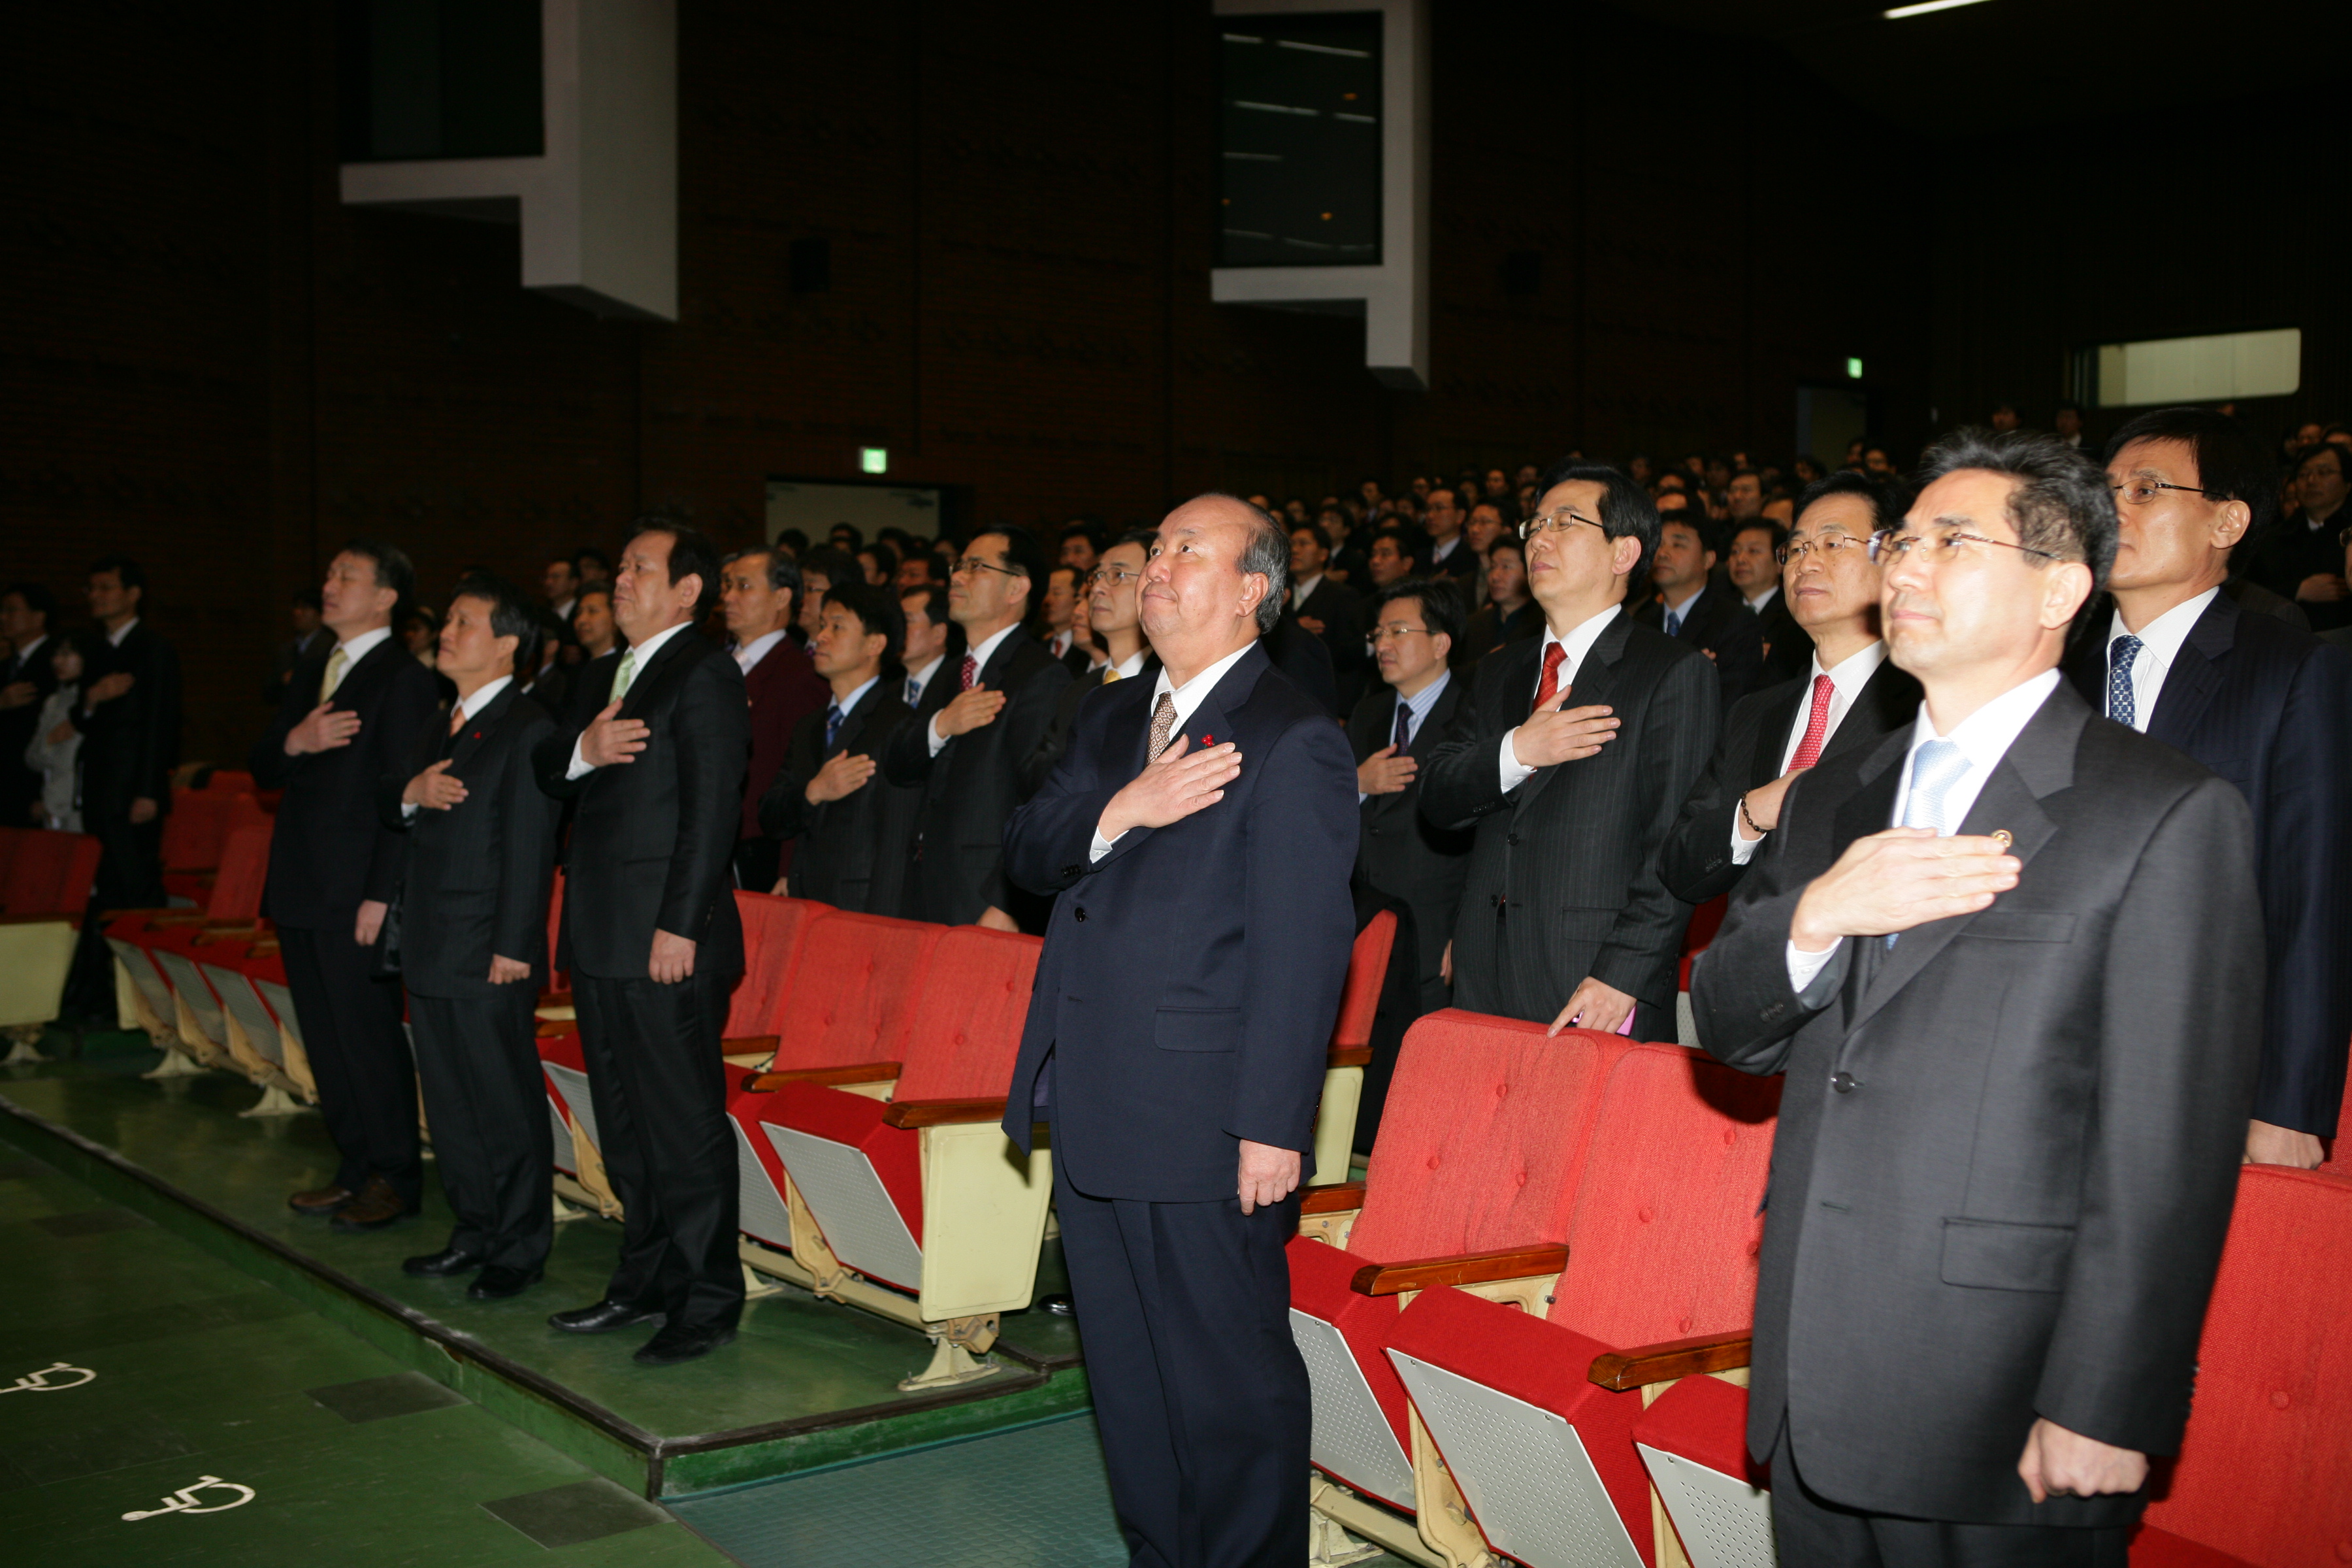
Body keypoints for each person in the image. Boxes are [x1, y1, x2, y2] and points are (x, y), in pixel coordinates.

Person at [1693, 429, 2262, 1560]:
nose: (1902, 569)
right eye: (1903, 542)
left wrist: (2109, 1400)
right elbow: (1727, 1028)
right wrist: (1818, 915)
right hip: (1816, 1368)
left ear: (2061, 586)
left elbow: (2167, 1147)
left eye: (1953, 543)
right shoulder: (1833, 800)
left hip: (2001, 1395)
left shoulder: (2159, 811)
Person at [1001, 494, 1357, 1568]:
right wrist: (1125, 809)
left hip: (1205, 1123)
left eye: (1186, 550)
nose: (1156, 565)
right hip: (1098, 1101)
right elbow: (1027, 848)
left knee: (1229, 1396)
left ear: (1254, 590)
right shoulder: (1116, 719)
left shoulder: (1293, 735)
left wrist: (1271, 1125)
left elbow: (1304, 951)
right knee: (1132, 1390)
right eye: (1154, 548)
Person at [2062, 406, 2352, 1168]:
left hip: (2205, 1074)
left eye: (2148, 489)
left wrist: (2290, 1104)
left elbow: (2312, 896)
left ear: (2227, 521)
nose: (2114, 507)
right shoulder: (2052, 677)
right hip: (2051, 1068)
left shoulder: (2290, 670)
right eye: (2107, 488)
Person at [532, 522, 750, 1366]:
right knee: (623, 1126)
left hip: (666, 937)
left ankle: (707, 1297)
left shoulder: (703, 672)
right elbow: (550, 769)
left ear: (688, 590)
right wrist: (584, 750)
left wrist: (680, 923)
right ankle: (644, 1279)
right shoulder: (598, 675)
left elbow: (712, 808)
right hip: (599, 933)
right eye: (619, 565)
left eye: (639, 568)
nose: (620, 579)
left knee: (683, 1124)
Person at [1420, 465, 1719, 1036]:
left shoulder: (1669, 673)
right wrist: (1517, 751)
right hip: (1484, 974)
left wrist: (1624, 974)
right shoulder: (1500, 669)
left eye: (1565, 522)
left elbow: (1673, 846)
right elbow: (1438, 797)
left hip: (1594, 983)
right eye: (1535, 523)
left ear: (1624, 552)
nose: (1539, 537)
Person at [380, 576, 561, 1299]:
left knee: (502, 1102)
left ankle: (518, 1245)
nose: (445, 632)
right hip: (431, 939)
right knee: (450, 1101)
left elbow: (529, 845)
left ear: (508, 646)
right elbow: (405, 809)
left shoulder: (529, 726)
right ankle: (474, 1228)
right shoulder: (439, 720)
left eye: (464, 622)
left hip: (490, 947)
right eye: (448, 620)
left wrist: (515, 945)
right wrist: (407, 794)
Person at [252, 542, 441, 1231]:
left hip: (353, 891)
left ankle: (394, 1175)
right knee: (325, 1039)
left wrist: (380, 893)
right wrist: (297, 740)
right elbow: (265, 762)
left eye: (346, 577)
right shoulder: (314, 664)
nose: (329, 586)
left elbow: (403, 797)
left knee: (366, 1039)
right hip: (301, 881)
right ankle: (354, 1166)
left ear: (387, 596)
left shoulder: (403, 679)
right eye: (329, 574)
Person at [1661, 474, 1920, 906]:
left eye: (1833, 544)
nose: (1807, 562)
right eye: (1797, 548)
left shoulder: (1923, 705)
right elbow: (1679, 864)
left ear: (1891, 556)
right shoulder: (1755, 713)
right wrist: (1753, 814)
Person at [882, 527, 1071, 930]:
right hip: (921, 885)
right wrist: (941, 725)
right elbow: (897, 766)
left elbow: (1041, 798)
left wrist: (1007, 903)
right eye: (958, 566)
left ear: (1016, 588)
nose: (957, 577)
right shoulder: (952, 672)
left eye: (974, 567)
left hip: (982, 895)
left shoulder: (1039, 675)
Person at [1350, 579, 1473, 1018]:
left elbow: (1488, 837)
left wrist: (1468, 933)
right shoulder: (1368, 713)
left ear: (1441, 642)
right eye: (1377, 634)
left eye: (1397, 632)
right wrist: (1357, 783)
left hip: (1433, 935)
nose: (1383, 643)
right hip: (1362, 927)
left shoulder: (1472, 715)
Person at [761, 581, 918, 913]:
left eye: (838, 626)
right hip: (804, 905)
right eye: (822, 626)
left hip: (860, 911)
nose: (821, 637)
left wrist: (882, 930)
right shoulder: (810, 725)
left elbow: (896, 846)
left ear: (874, 644)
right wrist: (813, 793)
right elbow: (771, 816)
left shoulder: (898, 724)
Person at [75, 555, 182, 930]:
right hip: (99, 786)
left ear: (134, 594)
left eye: (107, 588)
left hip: (132, 789)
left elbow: (160, 723)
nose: (96, 597)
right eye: (92, 589)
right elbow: (78, 717)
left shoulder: (152, 648)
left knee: (138, 885)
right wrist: (92, 699)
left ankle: (149, 977)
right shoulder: (95, 649)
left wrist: (149, 791)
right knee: (107, 887)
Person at [720, 549, 828, 893]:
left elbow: (800, 775)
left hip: (759, 849)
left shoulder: (798, 675)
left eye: (744, 586)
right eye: (728, 586)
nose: (729, 597)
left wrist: (788, 867)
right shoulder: (719, 666)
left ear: (781, 597)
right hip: (716, 841)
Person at [1024, 530, 1158, 792]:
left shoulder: (1170, 682)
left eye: (1118, 575)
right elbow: (1036, 778)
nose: (1096, 588)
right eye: (1097, 575)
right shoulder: (1081, 689)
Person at [1635, 515, 1765, 705]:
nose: (1662, 553)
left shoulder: (1736, 621)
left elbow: (1736, 704)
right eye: (1659, 544)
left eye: (1678, 545)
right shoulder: (1641, 623)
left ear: (1708, 559)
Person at [2248, 442, 2349, 615]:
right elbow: (2247, 593)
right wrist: (2298, 590)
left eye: (2324, 472)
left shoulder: (2348, 534)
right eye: (2303, 474)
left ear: (2348, 483)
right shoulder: (2271, 538)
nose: (2311, 481)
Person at [1285, 522, 1369, 715]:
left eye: (1304, 543)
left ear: (1323, 554)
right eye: (1292, 544)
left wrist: (1344, 711)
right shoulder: (1278, 595)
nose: (1295, 550)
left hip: (1322, 701)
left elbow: (1349, 657)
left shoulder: (1342, 595)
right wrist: (1293, 627)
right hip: (1283, 698)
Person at [0, 583, 58, 826]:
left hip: (33, 784)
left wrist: (44, 791)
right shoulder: (8, 666)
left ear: (38, 617)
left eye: (12, 611)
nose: (3, 618)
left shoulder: (55, 660)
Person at [1730, 519, 1811, 684]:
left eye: (1753, 551)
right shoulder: (1719, 611)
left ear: (1780, 561)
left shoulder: (1795, 614)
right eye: (1735, 552)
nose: (1741, 559)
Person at [25, 632, 91, 830]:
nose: (58, 661)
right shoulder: (53, 703)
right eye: (56, 655)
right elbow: (31, 758)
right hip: (54, 805)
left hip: (85, 804)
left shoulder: (95, 699)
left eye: (67, 654)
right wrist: (50, 741)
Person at [1458, 533, 1543, 668]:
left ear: (1529, 572)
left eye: (1506, 567)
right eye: (1492, 567)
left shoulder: (1543, 625)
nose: (1495, 577)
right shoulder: (1473, 624)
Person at [261, 589, 325, 706]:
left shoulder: (329, 646)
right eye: (296, 607)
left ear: (319, 613)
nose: (297, 613)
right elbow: (269, 690)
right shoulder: (287, 649)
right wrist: (283, 681)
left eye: (305, 608)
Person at [897, 582, 952, 710]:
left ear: (938, 633)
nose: (898, 630)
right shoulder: (887, 694)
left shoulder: (958, 686)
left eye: (907, 621)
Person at [1039, 564, 1092, 673]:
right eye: (1046, 592)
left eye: (1057, 593)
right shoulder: (1038, 649)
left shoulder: (1089, 648)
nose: (1047, 600)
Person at [1423, 487, 1478, 581]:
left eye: (1439, 508)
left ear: (1460, 515)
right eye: (1428, 509)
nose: (1430, 516)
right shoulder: (1420, 557)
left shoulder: (1473, 558)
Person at [544, 557, 580, 623]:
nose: (548, 582)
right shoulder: (543, 615)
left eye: (556, 577)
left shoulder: (580, 614)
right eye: (547, 577)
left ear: (573, 583)